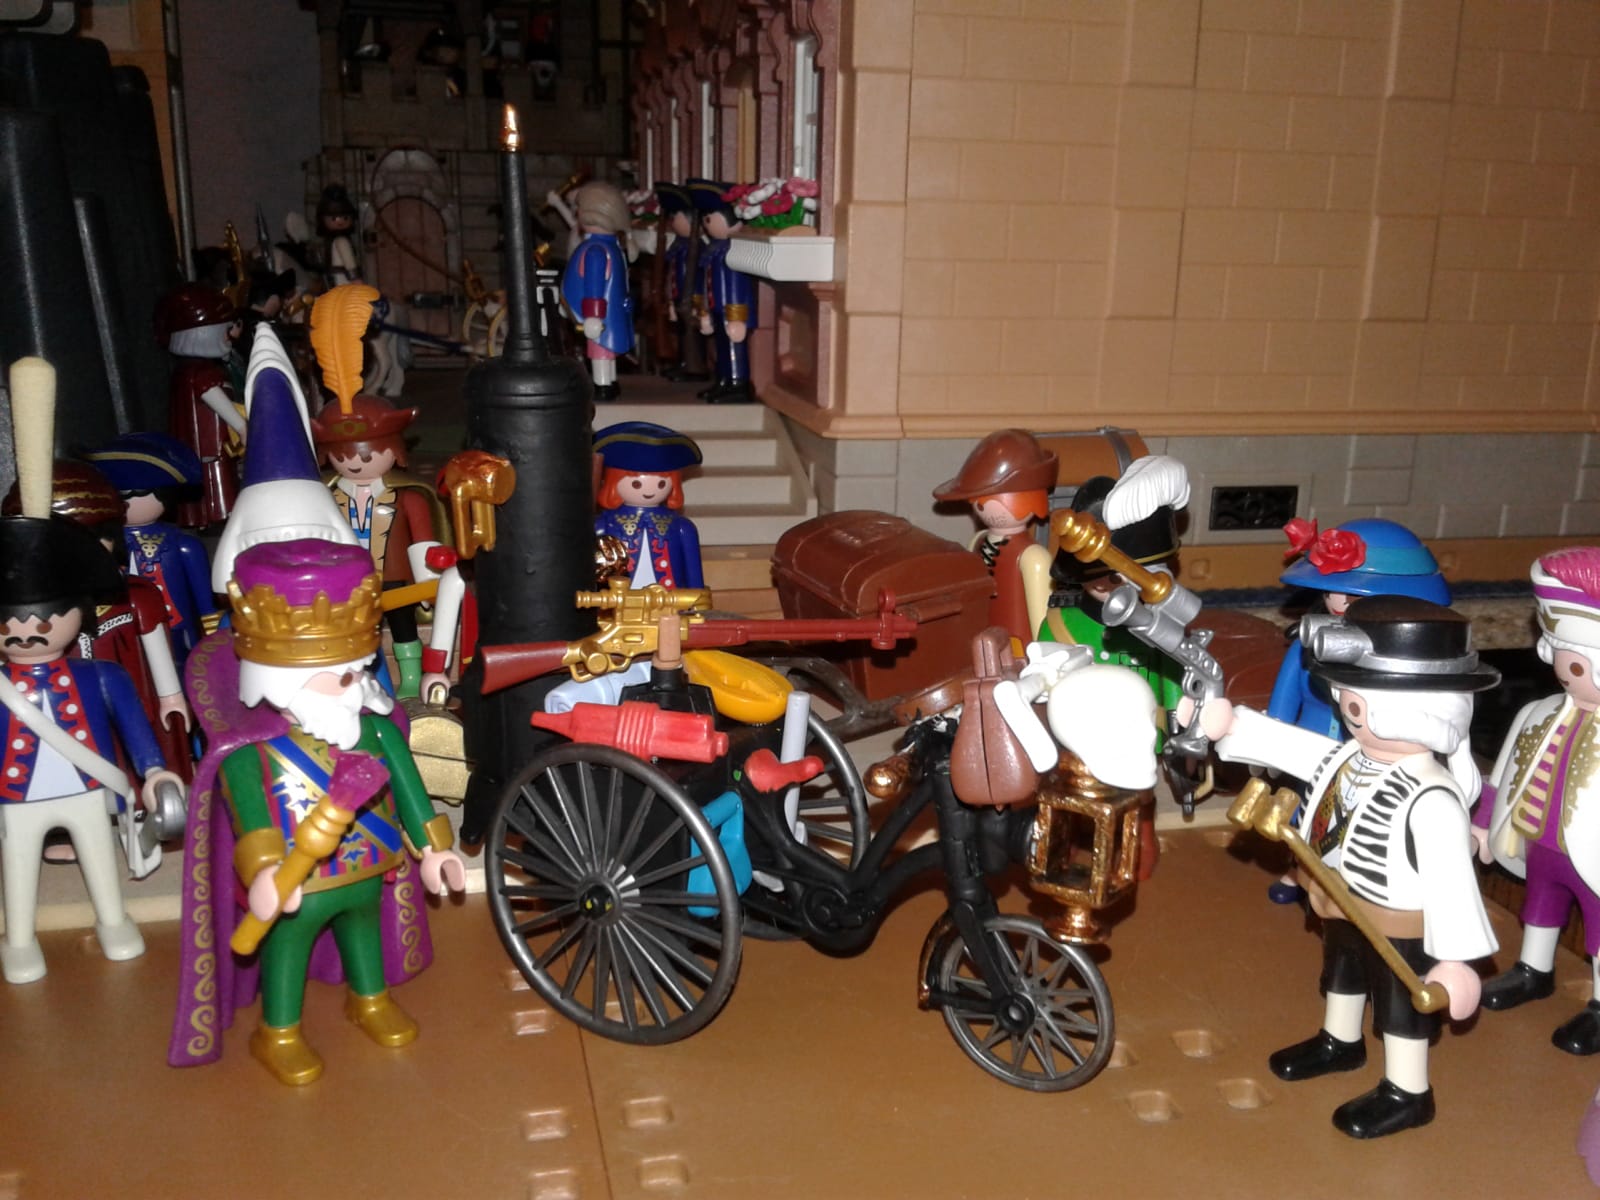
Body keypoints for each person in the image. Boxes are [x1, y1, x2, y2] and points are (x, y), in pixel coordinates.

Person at [169, 538, 465, 1085]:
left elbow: (410, 791)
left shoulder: (377, 730)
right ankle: (278, 1031)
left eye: (356, 671)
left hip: (369, 868)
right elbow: (251, 818)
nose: (351, 685)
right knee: (287, 950)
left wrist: (434, 850)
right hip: (298, 882)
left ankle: (370, 998)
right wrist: (262, 871)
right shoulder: (252, 752)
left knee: (364, 933)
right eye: (337, 675)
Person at [1205, 595, 1499, 1138]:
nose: (1348, 714)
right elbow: (1294, 749)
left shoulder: (1433, 796)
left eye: (1356, 705)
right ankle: (1340, 1041)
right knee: (1342, 972)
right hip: (1338, 896)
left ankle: (1408, 1090)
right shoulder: (1350, 757)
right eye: (1347, 702)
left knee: (1400, 1003)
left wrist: (1456, 959)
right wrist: (1235, 726)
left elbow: (1454, 885)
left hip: (1400, 923)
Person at [0, 504, 184, 983]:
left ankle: (113, 920)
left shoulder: (102, 675)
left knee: (101, 860)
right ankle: (19, 940)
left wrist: (154, 771)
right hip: (15, 797)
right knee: (18, 870)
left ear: (78, 616)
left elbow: (136, 728)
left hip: (88, 789)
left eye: (44, 622)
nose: (25, 634)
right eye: (8, 624)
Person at [1264, 517, 1450, 904]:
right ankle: (1298, 871)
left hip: (1372, 756)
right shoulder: (1308, 642)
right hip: (1309, 743)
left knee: (1357, 820)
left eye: (1355, 598)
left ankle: (1348, 880)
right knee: (1302, 812)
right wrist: (1272, 739)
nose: (1341, 604)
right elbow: (1285, 694)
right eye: (1336, 594)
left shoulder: (1404, 658)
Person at [1475, 546, 1600, 1054]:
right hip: (1536, 842)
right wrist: (1483, 824)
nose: (1571, 670)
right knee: (1539, 907)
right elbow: (1501, 774)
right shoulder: (1538, 712)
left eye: (1581, 663)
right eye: (1567, 659)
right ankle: (1533, 969)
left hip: (1593, 857)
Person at [311, 394, 448, 700]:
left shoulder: (409, 498)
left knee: (403, 627)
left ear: (394, 451)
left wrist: (428, 582)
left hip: (395, 580)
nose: (354, 463)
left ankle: (411, 677)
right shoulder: (328, 499)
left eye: (367, 457)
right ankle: (358, 679)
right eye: (343, 457)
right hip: (348, 581)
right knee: (354, 631)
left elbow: (423, 542)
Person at [86, 431, 218, 672]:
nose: (123, 504)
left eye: (133, 495)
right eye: (117, 495)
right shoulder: (105, 544)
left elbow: (205, 601)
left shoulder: (182, 545)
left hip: (175, 627)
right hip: (122, 628)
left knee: (181, 668)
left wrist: (213, 634)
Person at [931, 429, 1057, 650]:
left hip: (1018, 648)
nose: (979, 506)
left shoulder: (1033, 557)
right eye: (977, 499)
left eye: (988, 498)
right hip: (978, 638)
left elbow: (1042, 619)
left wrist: (1043, 655)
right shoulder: (978, 541)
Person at [157, 283, 245, 528]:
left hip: (200, 447)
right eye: (225, 330)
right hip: (210, 446)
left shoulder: (185, 372)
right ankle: (218, 515)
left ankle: (201, 517)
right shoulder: (201, 372)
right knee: (216, 480)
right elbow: (212, 395)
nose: (231, 336)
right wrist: (242, 426)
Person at [593, 421, 704, 590]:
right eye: (636, 484)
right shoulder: (603, 525)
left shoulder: (682, 527)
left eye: (661, 483)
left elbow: (693, 573)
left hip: (670, 599)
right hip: (618, 600)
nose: (650, 490)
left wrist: (698, 598)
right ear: (612, 483)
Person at [561, 181, 634, 402]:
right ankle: (610, 381)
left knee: (600, 350)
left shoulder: (595, 250)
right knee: (607, 349)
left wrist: (593, 314)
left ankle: (602, 384)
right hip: (611, 311)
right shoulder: (614, 247)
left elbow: (594, 285)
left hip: (600, 314)